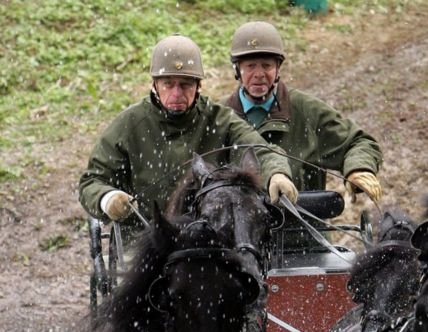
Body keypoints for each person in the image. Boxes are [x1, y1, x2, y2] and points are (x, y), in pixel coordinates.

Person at [79, 34, 298, 232]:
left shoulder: (220, 119)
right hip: (144, 237)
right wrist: (108, 198)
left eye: (185, 85)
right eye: (168, 84)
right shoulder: (130, 124)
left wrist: (276, 174)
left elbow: (259, 149)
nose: (176, 93)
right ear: (155, 84)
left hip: (211, 237)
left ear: (198, 85)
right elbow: (92, 181)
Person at [225, 21, 383, 203]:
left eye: (267, 66)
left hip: (302, 224)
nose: (259, 74)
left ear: (278, 69)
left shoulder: (306, 110)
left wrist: (359, 168)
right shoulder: (221, 117)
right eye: (251, 66)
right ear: (237, 69)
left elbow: (359, 142)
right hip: (238, 227)